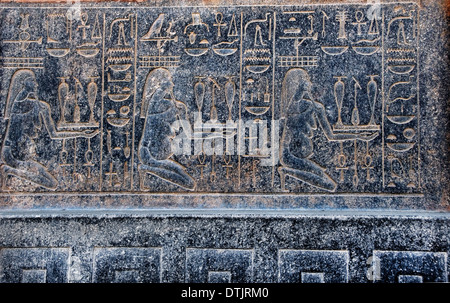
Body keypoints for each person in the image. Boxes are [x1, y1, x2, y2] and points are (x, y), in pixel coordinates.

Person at [279, 68, 377, 192]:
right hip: (289, 155)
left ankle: (286, 172)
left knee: (328, 182)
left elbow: (331, 136)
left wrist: (358, 136)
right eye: (305, 80)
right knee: (330, 186)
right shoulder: (291, 109)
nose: (309, 83)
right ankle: (286, 171)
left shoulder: (318, 107)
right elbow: (294, 104)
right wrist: (301, 91)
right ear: (296, 85)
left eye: (308, 80)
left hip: (302, 156)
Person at [0, 69, 98, 190]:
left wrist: (81, 134)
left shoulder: (41, 106)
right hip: (11, 154)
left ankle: (9, 170)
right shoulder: (18, 106)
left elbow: (54, 134)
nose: (36, 84)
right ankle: (9, 170)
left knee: (53, 183)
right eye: (32, 81)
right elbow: (21, 100)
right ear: (24, 83)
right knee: (52, 184)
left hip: (23, 154)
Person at [138, 67, 196, 190]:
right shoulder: (154, 104)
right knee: (189, 184)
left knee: (182, 171)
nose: (172, 84)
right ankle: (146, 169)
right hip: (149, 154)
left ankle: (146, 169)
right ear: (159, 83)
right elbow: (158, 100)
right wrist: (164, 88)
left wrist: (181, 111)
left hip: (157, 153)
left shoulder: (166, 104)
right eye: (169, 80)